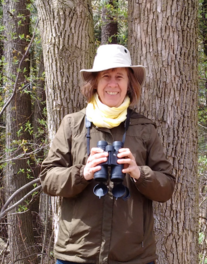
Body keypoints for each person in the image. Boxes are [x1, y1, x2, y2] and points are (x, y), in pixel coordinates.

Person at [40, 44, 175, 264]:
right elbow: (47, 178)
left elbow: (167, 186)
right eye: (106, 76)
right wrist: (82, 173)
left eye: (119, 77)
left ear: (129, 84)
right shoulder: (73, 124)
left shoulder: (144, 128)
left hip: (133, 256)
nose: (113, 84)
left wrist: (140, 173)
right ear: (95, 82)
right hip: (77, 254)